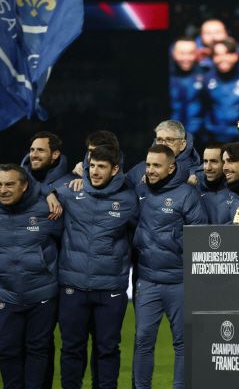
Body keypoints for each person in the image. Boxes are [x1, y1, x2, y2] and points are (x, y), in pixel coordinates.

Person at [56, 145, 137, 389]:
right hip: (73, 287)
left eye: (101, 166)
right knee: (71, 348)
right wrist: (50, 193)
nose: (95, 171)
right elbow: (36, 190)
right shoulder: (70, 191)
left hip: (110, 288)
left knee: (107, 349)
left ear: (115, 169)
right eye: (92, 166)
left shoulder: (128, 199)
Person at [0, 164, 63, 389]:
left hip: (42, 294)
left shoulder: (47, 209)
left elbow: (64, 240)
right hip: (5, 294)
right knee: (6, 349)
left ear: (25, 185)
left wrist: (48, 193)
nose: (3, 190)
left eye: (9, 184)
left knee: (38, 349)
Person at [132, 145, 207, 389]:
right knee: (142, 341)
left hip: (179, 281)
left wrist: (174, 244)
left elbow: (199, 236)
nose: (150, 170)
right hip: (147, 280)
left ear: (171, 167)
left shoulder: (187, 194)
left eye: (157, 165)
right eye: (148, 165)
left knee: (182, 343)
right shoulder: (139, 190)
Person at [198, 38, 239, 144]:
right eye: (217, 55)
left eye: (227, 53)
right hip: (213, 140)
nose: (222, 58)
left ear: (235, 56)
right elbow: (204, 108)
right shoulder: (207, 79)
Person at [126, 120, 201, 189]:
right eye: (159, 140)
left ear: (182, 144)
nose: (163, 144)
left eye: (169, 140)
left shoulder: (196, 175)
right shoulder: (140, 169)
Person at [169, 36, 205, 136]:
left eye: (191, 53)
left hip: (198, 135)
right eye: (182, 53)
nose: (186, 58)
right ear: (173, 53)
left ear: (197, 54)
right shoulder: (165, 76)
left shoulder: (206, 76)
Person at [198, 143, 228, 224]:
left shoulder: (238, 188)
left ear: (225, 163)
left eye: (214, 161)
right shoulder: (194, 187)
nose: (208, 168)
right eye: (205, 161)